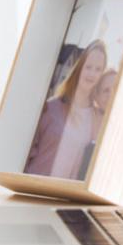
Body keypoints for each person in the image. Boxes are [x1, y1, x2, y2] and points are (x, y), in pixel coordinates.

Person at [24, 41, 109, 179]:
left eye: (98, 69)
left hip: (64, 196)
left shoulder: (96, 118)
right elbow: (27, 152)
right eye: (88, 67)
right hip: (35, 189)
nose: (92, 74)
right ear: (79, 68)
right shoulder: (51, 108)